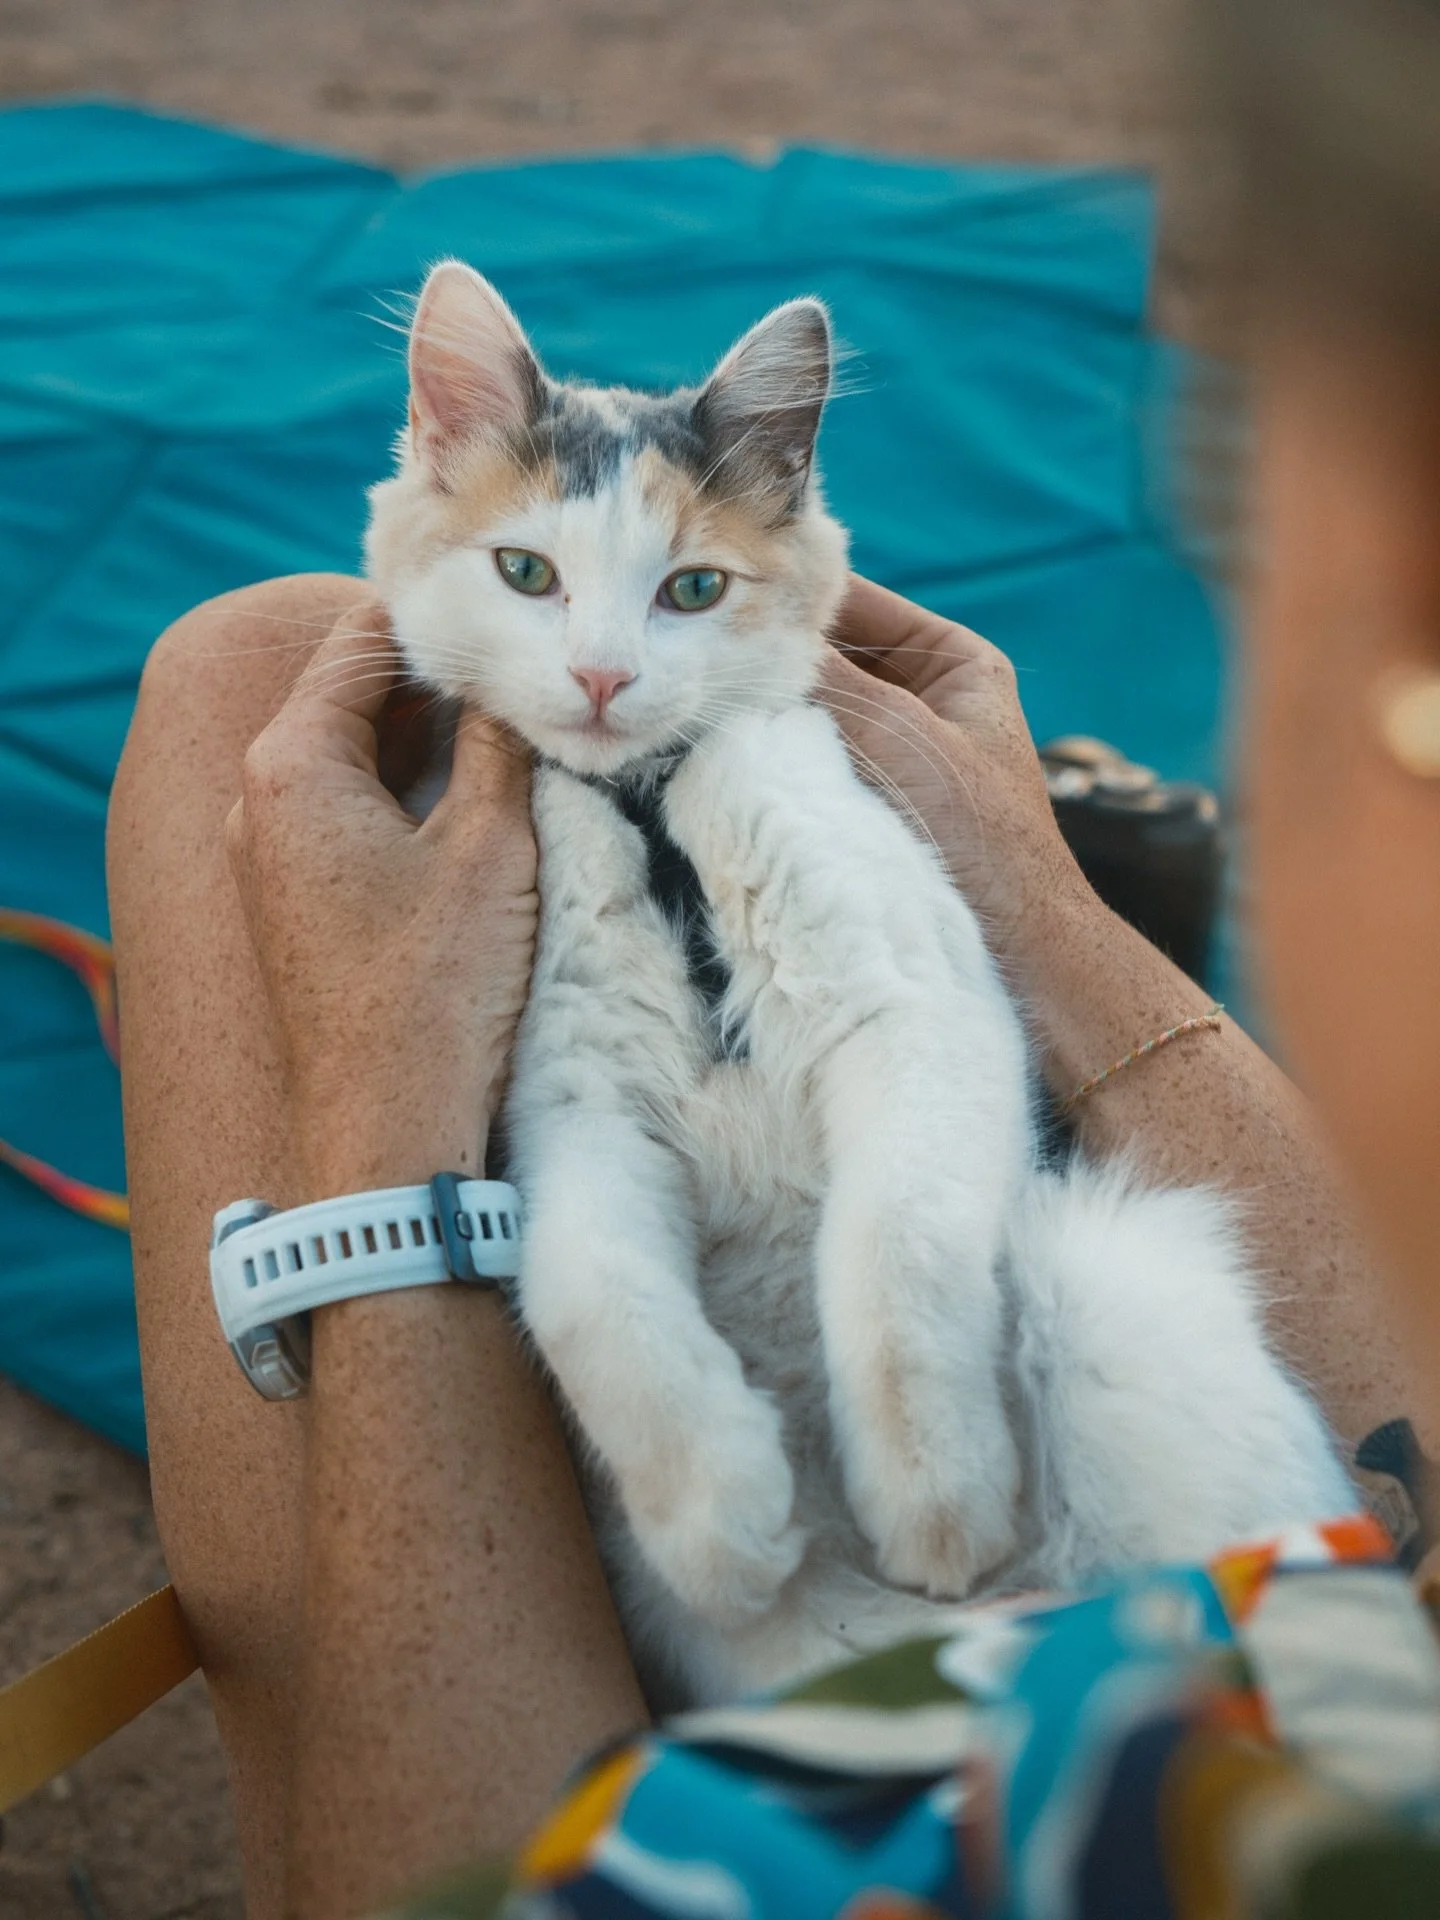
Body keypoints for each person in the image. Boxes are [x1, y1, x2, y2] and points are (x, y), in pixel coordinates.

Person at [103, 0, 1440, 1909]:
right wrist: (1055, 922)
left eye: (688, 592)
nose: (598, 666)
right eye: (535, 582)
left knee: (241, 661)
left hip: (957, 1686)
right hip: (1208, 1656)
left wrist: (378, 1109)